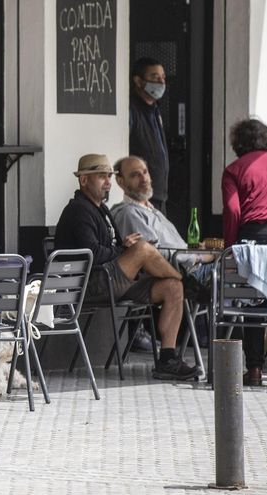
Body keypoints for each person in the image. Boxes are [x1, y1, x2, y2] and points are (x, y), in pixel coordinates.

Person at [54, 154, 200, 380]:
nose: (108, 182)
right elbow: (93, 254)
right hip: (88, 284)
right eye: (102, 177)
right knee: (143, 249)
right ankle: (189, 282)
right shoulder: (78, 210)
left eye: (109, 177)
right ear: (84, 180)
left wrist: (122, 247)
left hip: (111, 280)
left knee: (172, 287)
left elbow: (109, 248)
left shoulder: (101, 209)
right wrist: (125, 250)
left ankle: (167, 359)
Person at [111, 156, 214, 294]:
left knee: (236, 258)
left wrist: (196, 248)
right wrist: (200, 256)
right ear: (121, 181)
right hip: (188, 275)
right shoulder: (128, 213)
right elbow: (154, 254)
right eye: (135, 175)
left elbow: (171, 246)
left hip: (193, 267)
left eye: (145, 172)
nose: (143, 179)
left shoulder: (152, 210)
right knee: (237, 267)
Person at [221, 118, 267, 385]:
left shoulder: (234, 170)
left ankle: (253, 369)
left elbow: (233, 210)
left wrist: (230, 246)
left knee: (252, 300)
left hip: (252, 238)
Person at [129, 57, 170, 213]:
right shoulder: (132, 110)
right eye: (155, 77)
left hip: (158, 192)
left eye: (163, 77)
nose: (161, 82)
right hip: (139, 193)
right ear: (138, 81)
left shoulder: (155, 110)